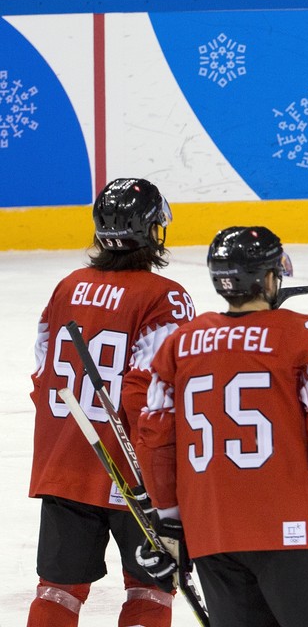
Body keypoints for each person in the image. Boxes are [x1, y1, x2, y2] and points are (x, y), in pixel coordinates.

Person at [134, 227, 308, 626]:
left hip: (212, 535)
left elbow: (154, 442)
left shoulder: (179, 345)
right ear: (269, 278)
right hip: (295, 530)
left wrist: (168, 519)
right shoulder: (307, 336)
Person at [27, 179, 195, 627]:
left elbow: (43, 376)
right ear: (153, 230)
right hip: (136, 472)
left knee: (57, 593)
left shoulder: (68, 287)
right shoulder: (166, 296)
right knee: (150, 591)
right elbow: (154, 400)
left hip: (63, 466)